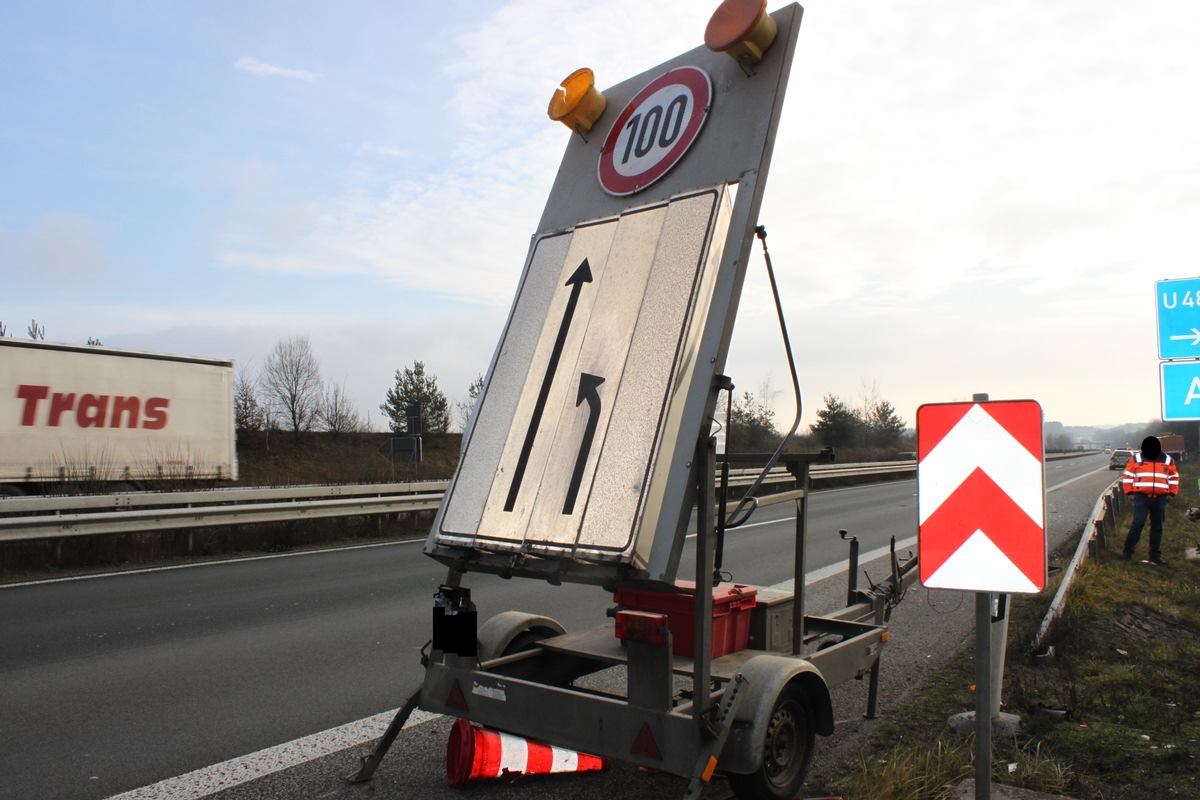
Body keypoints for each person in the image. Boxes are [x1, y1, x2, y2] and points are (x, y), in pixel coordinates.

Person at [1121, 435, 1180, 565]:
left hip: (1160, 498)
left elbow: (1174, 477)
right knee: (1138, 523)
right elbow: (1127, 476)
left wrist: (1171, 493)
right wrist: (1129, 492)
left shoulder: (1167, 460)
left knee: (1157, 527)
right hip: (1141, 497)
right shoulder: (1136, 458)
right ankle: (1127, 551)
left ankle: (1155, 556)